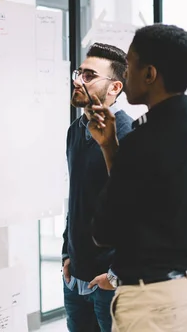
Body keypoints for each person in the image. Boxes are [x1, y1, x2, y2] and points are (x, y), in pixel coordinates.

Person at [86, 24, 187, 331]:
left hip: (155, 302)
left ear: (149, 74)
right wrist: (111, 146)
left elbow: (105, 230)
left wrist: (114, 150)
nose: (125, 76)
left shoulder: (143, 140)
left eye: (131, 65)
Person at [62, 42, 134, 331]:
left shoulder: (129, 135)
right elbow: (77, 198)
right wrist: (67, 254)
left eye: (89, 76)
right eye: (79, 72)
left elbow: (139, 214)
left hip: (112, 284)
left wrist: (115, 275)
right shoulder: (75, 131)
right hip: (75, 279)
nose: (79, 80)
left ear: (115, 87)